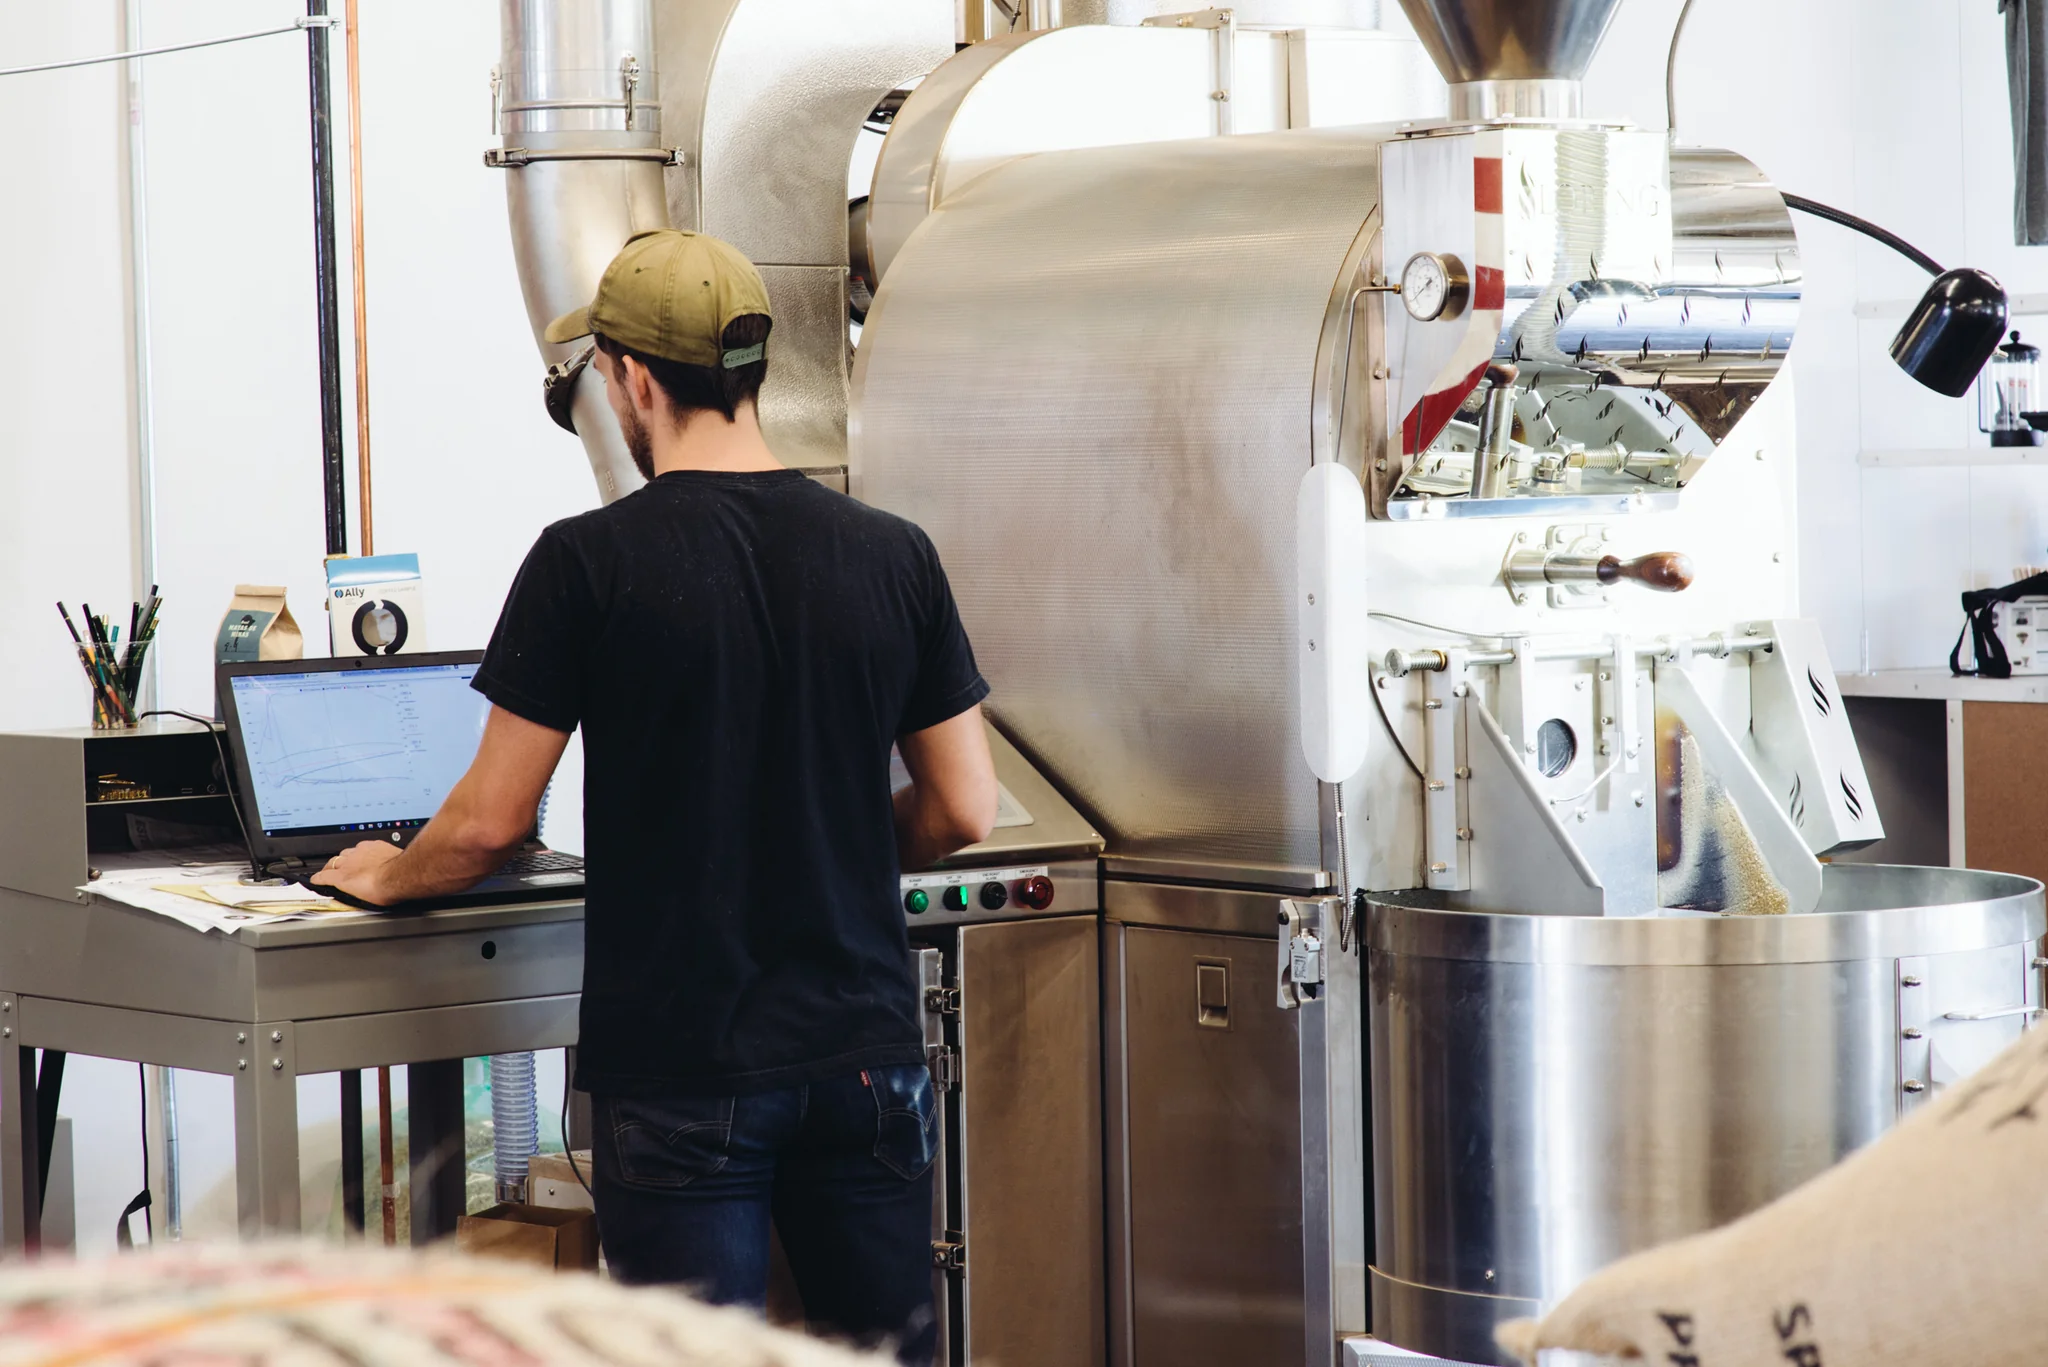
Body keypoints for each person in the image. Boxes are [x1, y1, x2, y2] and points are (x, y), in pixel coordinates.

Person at [312, 228, 997, 1365]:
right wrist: (827, 845)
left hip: (685, 1073)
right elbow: (961, 807)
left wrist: (387, 871)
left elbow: (486, 821)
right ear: (750, 371)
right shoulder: (894, 554)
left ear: (632, 378)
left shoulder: (588, 561)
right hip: (866, 1063)